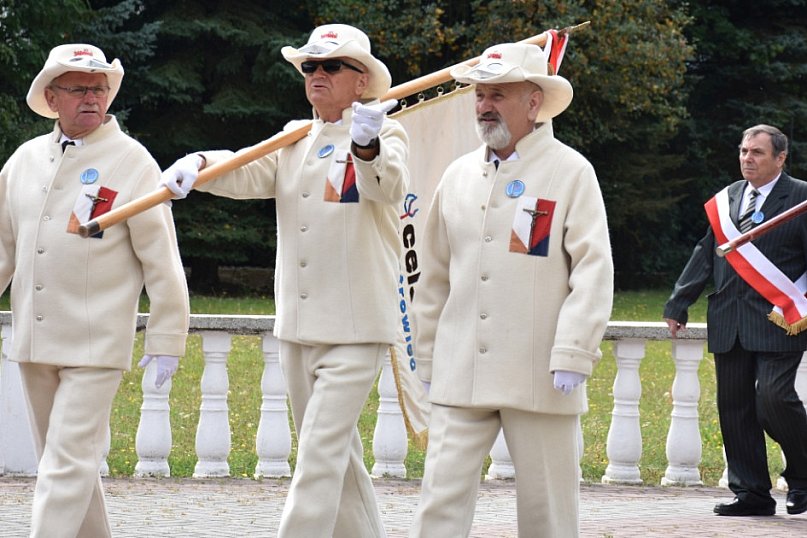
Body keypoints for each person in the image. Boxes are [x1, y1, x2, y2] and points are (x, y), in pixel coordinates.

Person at [160, 24, 409, 537]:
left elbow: (389, 188)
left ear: (361, 81)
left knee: (318, 458)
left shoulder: (387, 132)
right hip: (298, 327)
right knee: (337, 462)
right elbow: (246, 169)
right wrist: (200, 165)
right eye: (311, 67)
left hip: (356, 327)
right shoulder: (296, 136)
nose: (317, 74)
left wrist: (366, 145)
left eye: (331, 66)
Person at [409, 42, 614, 537]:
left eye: (498, 94)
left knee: (549, 512)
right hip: (462, 373)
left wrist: (573, 351)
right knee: (439, 502)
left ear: (533, 102)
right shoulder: (457, 176)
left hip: (541, 371)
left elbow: (593, 269)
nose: (484, 105)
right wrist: (430, 357)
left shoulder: (571, 171)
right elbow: (433, 276)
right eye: (480, 95)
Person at [0, 44, 190, 537]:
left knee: (64, 467)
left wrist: (167, 338)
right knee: (67, 465)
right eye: (79, 88)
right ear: (51, 96)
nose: (92, 96)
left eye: (99, 88)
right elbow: (3, 250)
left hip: (95, 346)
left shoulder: (133, 162)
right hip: (35, 343)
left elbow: (163, 261)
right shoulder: (22, 161)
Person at [664, 124, 807, 517]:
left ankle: (803, 476)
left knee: (773, 399)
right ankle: (752, 494)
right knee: (736, 408)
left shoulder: (801, 197)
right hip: (729, 317)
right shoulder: (727, 198)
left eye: (758, 153)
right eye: (744, 151)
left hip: (779, 319)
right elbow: (705, 251)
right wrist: (679, 301)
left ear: (780, 158)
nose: (748, 158)